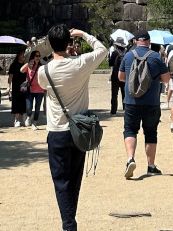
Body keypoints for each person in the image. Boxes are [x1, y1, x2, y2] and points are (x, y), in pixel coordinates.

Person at [36, 26, 106, 231]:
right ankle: (70, 220)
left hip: (57, 130)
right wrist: (83, 34)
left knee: (61, 181)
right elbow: (102, 50)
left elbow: (43, 86)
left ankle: (68, 224)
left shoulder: (44, 71)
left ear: (50, 44)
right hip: (80, 130)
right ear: (69, 43)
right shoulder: (81, 64)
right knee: (75, 179)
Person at [118, 30, 170, 178]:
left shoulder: (128, 56)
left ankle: (130, 159)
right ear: (149, 41)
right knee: (151, 132)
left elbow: (121, 77)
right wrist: (152, 81)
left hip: (131, 101)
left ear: (136, 41)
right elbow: (166, 79)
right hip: (151, 102)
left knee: (130, 130)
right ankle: (151, 165)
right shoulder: (156, 57)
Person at [21, 50, 45, 129]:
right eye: (36, 56)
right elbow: (21, 70)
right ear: (33, 57)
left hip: (40, 90)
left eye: (39, 56)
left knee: (37, 107)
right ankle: (29, 116)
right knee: (29, 107)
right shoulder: (29, 65)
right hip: (30, 90)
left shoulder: (42, 66)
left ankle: (34, 123)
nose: (38, 57)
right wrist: (28, 63)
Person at [7, 48, 28, 127]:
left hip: (25, 86)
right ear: (18, 55)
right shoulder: (14, 65)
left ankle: (24, 118)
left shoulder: (26, 64)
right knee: (16, 103)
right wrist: (9, 86)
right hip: (16, 86)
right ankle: (16, 120)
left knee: (24, 102)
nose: (23, 56)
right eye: (22, 54)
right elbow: (10, 76)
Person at [108, 40, 125, 115]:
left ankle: (113, 110)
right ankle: (126, 108)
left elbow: (110, 63)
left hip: (115, 76)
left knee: (114, 94)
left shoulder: (115, 53)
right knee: (124, 93)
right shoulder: (126, 53)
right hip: (124, 75)